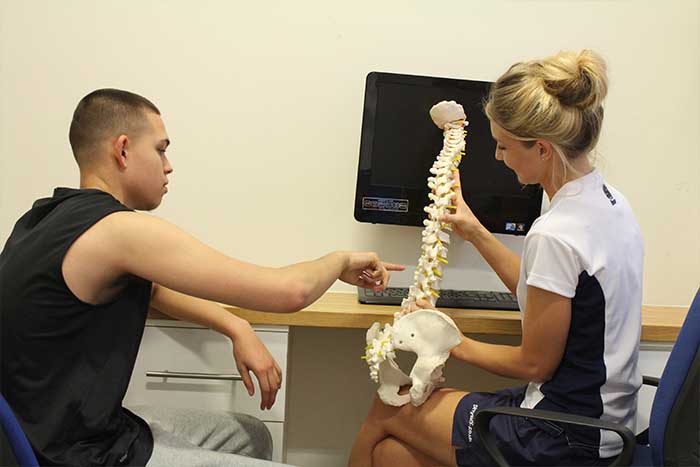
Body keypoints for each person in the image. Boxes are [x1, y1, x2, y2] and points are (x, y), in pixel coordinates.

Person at [0, 88, 404, 467]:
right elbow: (290, 291)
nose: (168, 164)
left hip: (60, 430)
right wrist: (340, 260)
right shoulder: (119, 230)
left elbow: (153, 289)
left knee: (251, 434)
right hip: (81, 455)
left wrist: (234, 325)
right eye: (160, 150)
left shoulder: (44, 218)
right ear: (122, 150)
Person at [349, 49, 644, 467]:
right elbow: (544, 291)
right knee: (392, 455)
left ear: (542, 149)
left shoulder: (556, 232)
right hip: (599, 422)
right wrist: (474, 231)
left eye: (504, 146)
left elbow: (535, 362)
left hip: (566, 437)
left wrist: (448, 342)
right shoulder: (609, 205)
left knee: (389, 407)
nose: (498, 157)